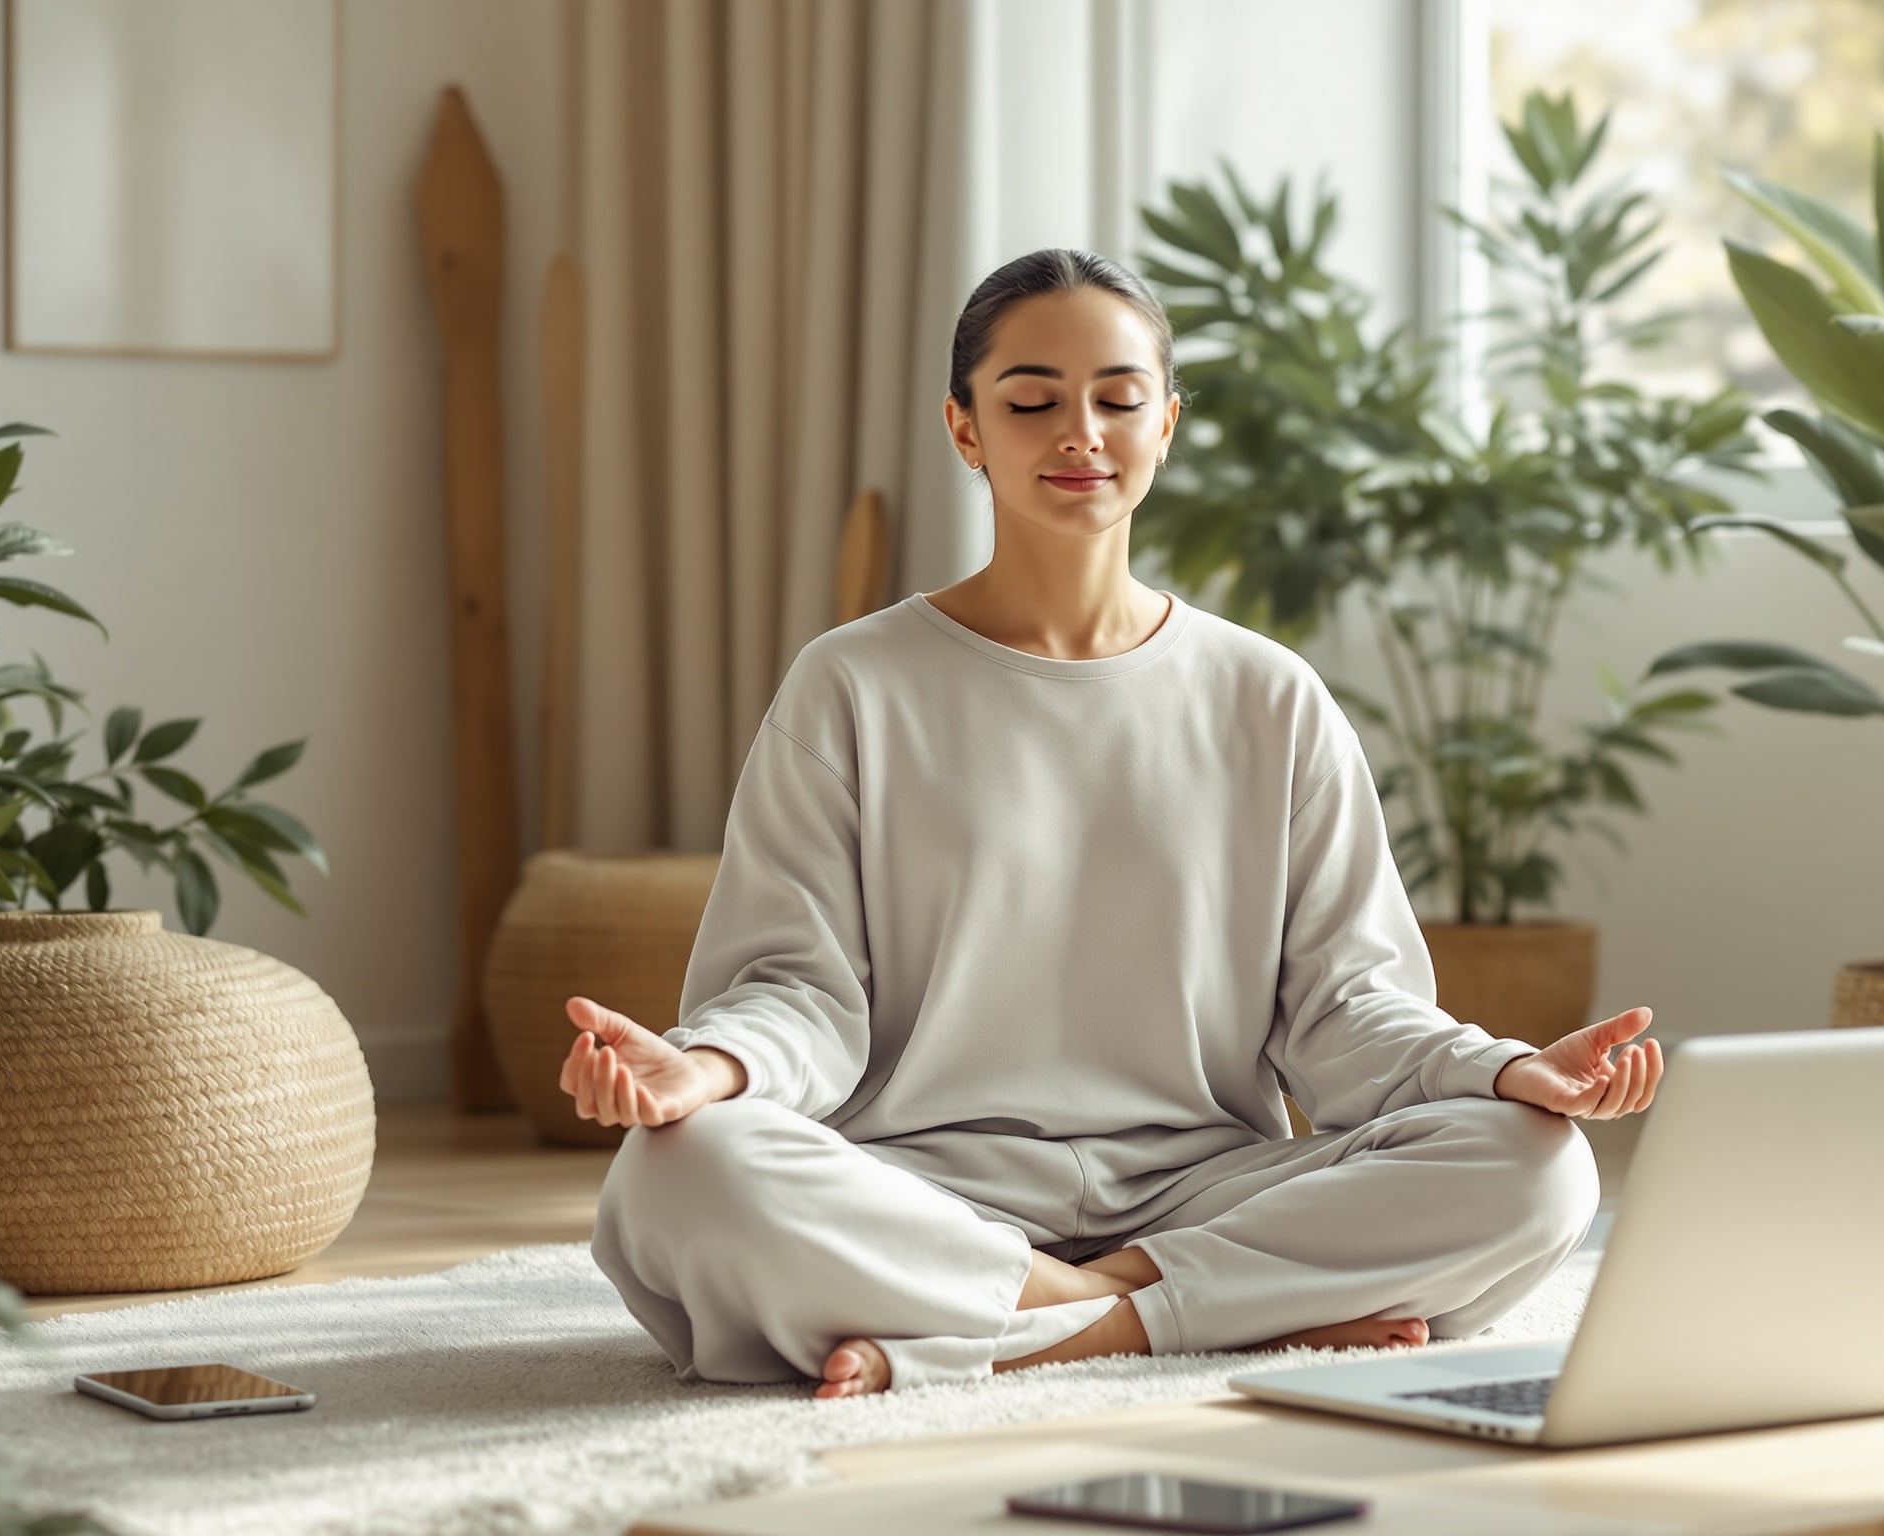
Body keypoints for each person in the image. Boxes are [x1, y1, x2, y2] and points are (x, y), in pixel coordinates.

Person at [564, 248, 1664, 1400]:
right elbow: (802, 990)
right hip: (920, 1186)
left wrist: (1505, 1073)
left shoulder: (1268, 697)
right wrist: (704, 1068)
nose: (1078, 432)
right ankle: (1212, 1312)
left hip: (1208, 1181)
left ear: (1167, 424)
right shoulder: (851, 685)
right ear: (965, 429)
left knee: (1539, 1169)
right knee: (677, 1175)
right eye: (1031, 402)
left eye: (1118, 400)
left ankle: (1035, 1320)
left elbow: (1347, 1010)